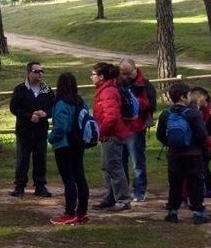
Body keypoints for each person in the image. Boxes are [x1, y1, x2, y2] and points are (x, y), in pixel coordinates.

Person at [155, 82, 210, 225]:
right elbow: (203, 134)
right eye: (189, 95)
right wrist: (196, 144)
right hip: (193, 153)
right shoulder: (193, 114)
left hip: (174, 154)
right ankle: (198, 213)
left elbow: (160, 135)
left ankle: (172, 212)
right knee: (196, 182)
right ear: (183, 97)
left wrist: (171, 143)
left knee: (175, 183)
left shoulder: (165, 114)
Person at [46, 73, 90, 225]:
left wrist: (50, 138)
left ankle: (69, 212)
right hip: (78, 144)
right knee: (80, 177)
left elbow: (60, 128)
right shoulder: (81, 102)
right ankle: (82, 211)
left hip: (64, 145)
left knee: (69, 180)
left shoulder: (61, 104)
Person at [8, 61, 55, 197]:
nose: (40, 74)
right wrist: (29, 116)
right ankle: (19, 186)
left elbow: (54, 107)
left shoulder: (47, 90)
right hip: (25, 130)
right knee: (23, 158)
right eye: (36, 71)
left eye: (41, 71)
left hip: (41, 129)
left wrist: (46, 113)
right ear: (29, 73)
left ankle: (40, 186)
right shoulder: (20, 89)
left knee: (40, 157)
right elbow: (14, 107)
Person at [91, 62, 133, 211]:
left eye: (93, 74)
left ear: (101, 76)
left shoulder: (108, 91)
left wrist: (99, 131)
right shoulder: (104, 89)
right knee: (106, 166)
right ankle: (111, 196)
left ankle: (123, 199)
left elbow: (111, 116)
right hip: (108, 134)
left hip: (112, 134)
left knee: (114, 167)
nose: (91, 77)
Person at [119, 58, 157, 203]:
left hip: (136, 127)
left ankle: (140, 190)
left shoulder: (145, 85)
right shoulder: (119, 83)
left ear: (135, 69)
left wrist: (134, 102)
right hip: (121, 127)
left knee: (137, 163)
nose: (126, 76)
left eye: (129, 73)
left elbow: (152, 106)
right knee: (120, 162)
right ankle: (123, 189)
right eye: (123, 73)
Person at [188, 86, 211, 199]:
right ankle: (208, 188)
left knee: (203, 165)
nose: (197, 99)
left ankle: (208, 188)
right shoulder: (196, 110)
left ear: (205, 96)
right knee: (202, 166)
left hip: (210, 141)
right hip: (200, 141)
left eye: (198, 97)